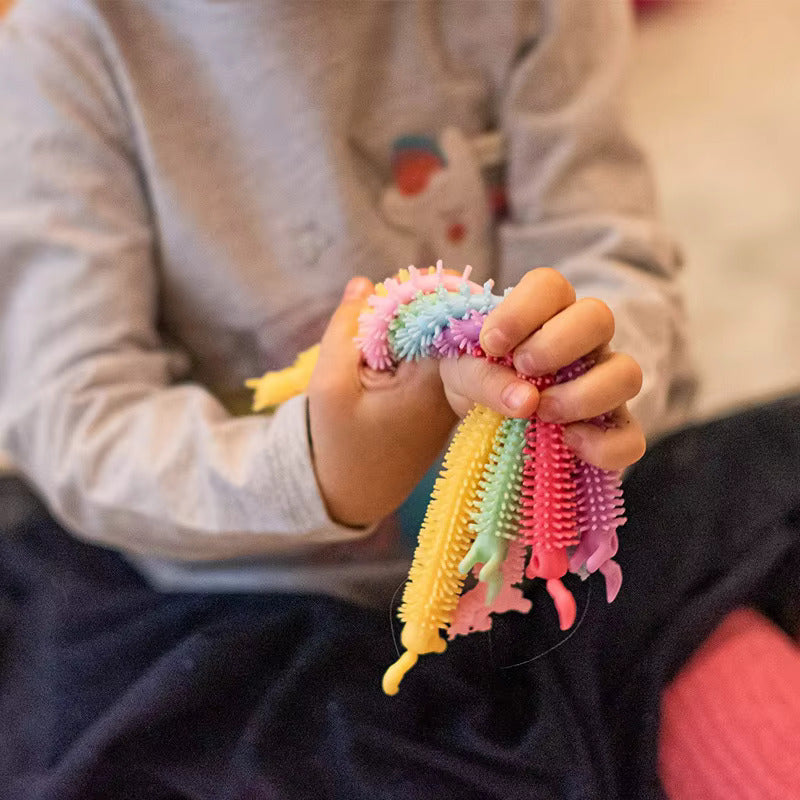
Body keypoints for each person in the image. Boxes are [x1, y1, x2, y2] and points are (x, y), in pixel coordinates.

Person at [3, 2, 793, 800]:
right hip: (237, 599)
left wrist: (589, 370)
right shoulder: (64, 48)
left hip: (568, 551)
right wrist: (318, 469)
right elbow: (79, 411)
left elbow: (609, 251)